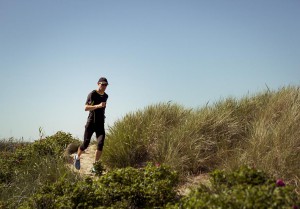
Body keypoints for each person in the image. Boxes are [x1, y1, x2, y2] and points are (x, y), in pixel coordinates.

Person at [74, 77, 109, 170]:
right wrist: (98, 106)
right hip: (91, 123)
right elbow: (86, 108)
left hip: (100, 123)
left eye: (106, 85)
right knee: (85, 144)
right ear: (98, 84)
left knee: (100, 143)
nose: (104, 86)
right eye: (102, 84)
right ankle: (77, 157)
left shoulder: (106, 96)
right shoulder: (92, 94)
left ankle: (95, 165)